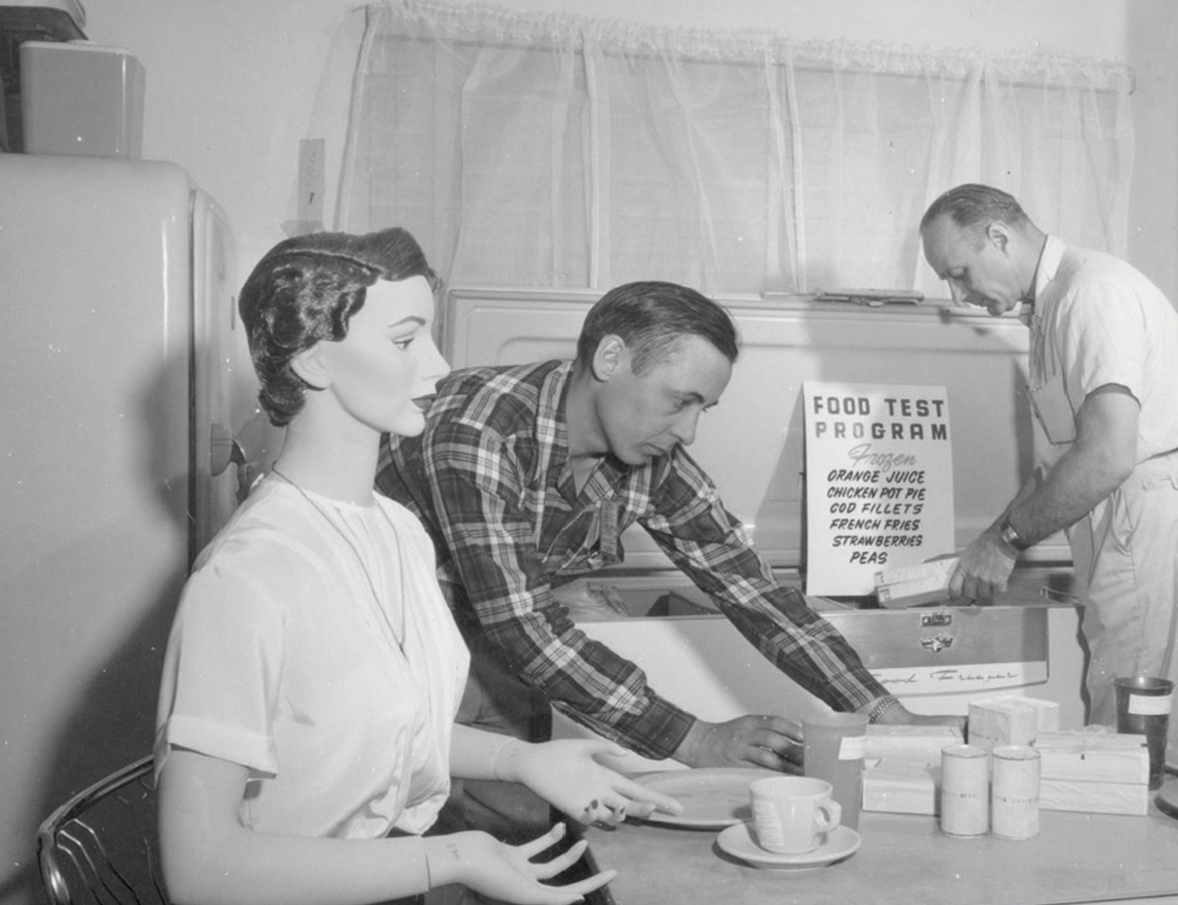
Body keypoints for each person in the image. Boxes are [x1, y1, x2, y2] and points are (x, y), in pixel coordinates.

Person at [154, 228, 678, 905]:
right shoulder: (246, 575)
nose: (438, 366)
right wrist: (453, 858)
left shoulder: (393, 528)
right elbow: (196, 862)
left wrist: (523, 756)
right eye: (405, 340)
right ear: (315, 358)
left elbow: (389, 726)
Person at [378, 280, 955, 772]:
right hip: (395, 651)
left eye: (704, 408)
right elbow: (524, 627)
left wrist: (886, 714)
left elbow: (756, 592)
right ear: (610, 359)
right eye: (680, 401)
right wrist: (696, 739)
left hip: (490, 645)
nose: (690, 432)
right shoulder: (478, 430)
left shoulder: (647, 454)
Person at [918, 185, 1178, 730]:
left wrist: (1006, 541)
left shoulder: (1091, 292)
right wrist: (991, 541)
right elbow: (1061, 466)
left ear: (999, 237)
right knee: (1162, 734)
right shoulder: (1055, 305)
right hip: (1144, 516)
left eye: (960, 273)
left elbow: (1109, 456)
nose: (956, 295)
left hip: (1149, 513)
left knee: (1137, 743)